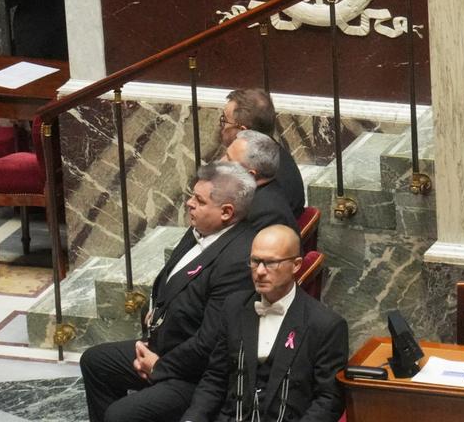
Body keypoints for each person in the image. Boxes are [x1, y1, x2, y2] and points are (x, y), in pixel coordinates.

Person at [81, 163, 258, 422]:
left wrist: (159, 366)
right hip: (163, 345)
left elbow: (208, 342)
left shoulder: (237, 260)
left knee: (120, 415)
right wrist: (154, 310)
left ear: (226, 212)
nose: (188, 203)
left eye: (199, 200)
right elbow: (169, 280)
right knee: (96, 362)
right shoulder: (199, 229)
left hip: (195, 375)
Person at [181, 224, 347, 422]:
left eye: (270, 263)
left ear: (296, 265)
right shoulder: (234, 307)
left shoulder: (326, 324)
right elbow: (216, 377)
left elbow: (329, 400)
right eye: (255, 261)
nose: (259, 271)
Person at [220, 87, 307, 215]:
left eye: (224, 120)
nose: (221, 126)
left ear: (243, 132)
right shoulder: (276, 155)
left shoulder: (252, 182)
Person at [225, 129, 303, 229]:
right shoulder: (249, 191)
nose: (221, 164)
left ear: (250, 175)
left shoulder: (267, 215)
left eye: (229, 160)